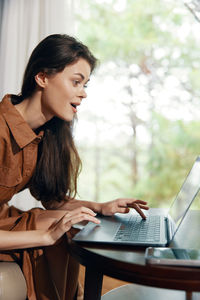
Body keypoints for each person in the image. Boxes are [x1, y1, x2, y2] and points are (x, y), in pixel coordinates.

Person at [0, 34, 149, 300]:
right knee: (57, 231)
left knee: (73, 223)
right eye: (76, 82)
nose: (83, 92)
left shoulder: (45, 133)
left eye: (85, 84)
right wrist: (44, 237)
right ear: (42, 78)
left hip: (5, 220)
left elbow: (51, 200)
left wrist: (100, 207)